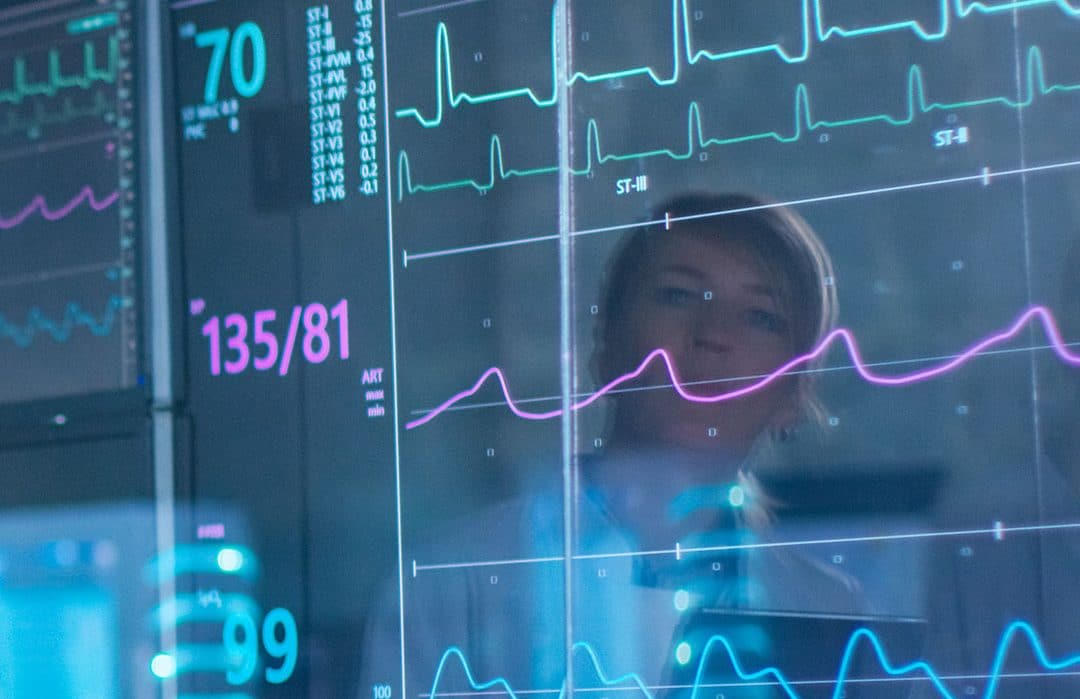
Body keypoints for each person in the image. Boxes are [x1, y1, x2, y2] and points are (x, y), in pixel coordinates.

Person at [359, 193, 871, 699]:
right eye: (678, 294)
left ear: (793, 396)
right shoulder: (449, 583)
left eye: (762, 316)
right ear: (607, 345)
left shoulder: (833, 610)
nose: (715, 334)